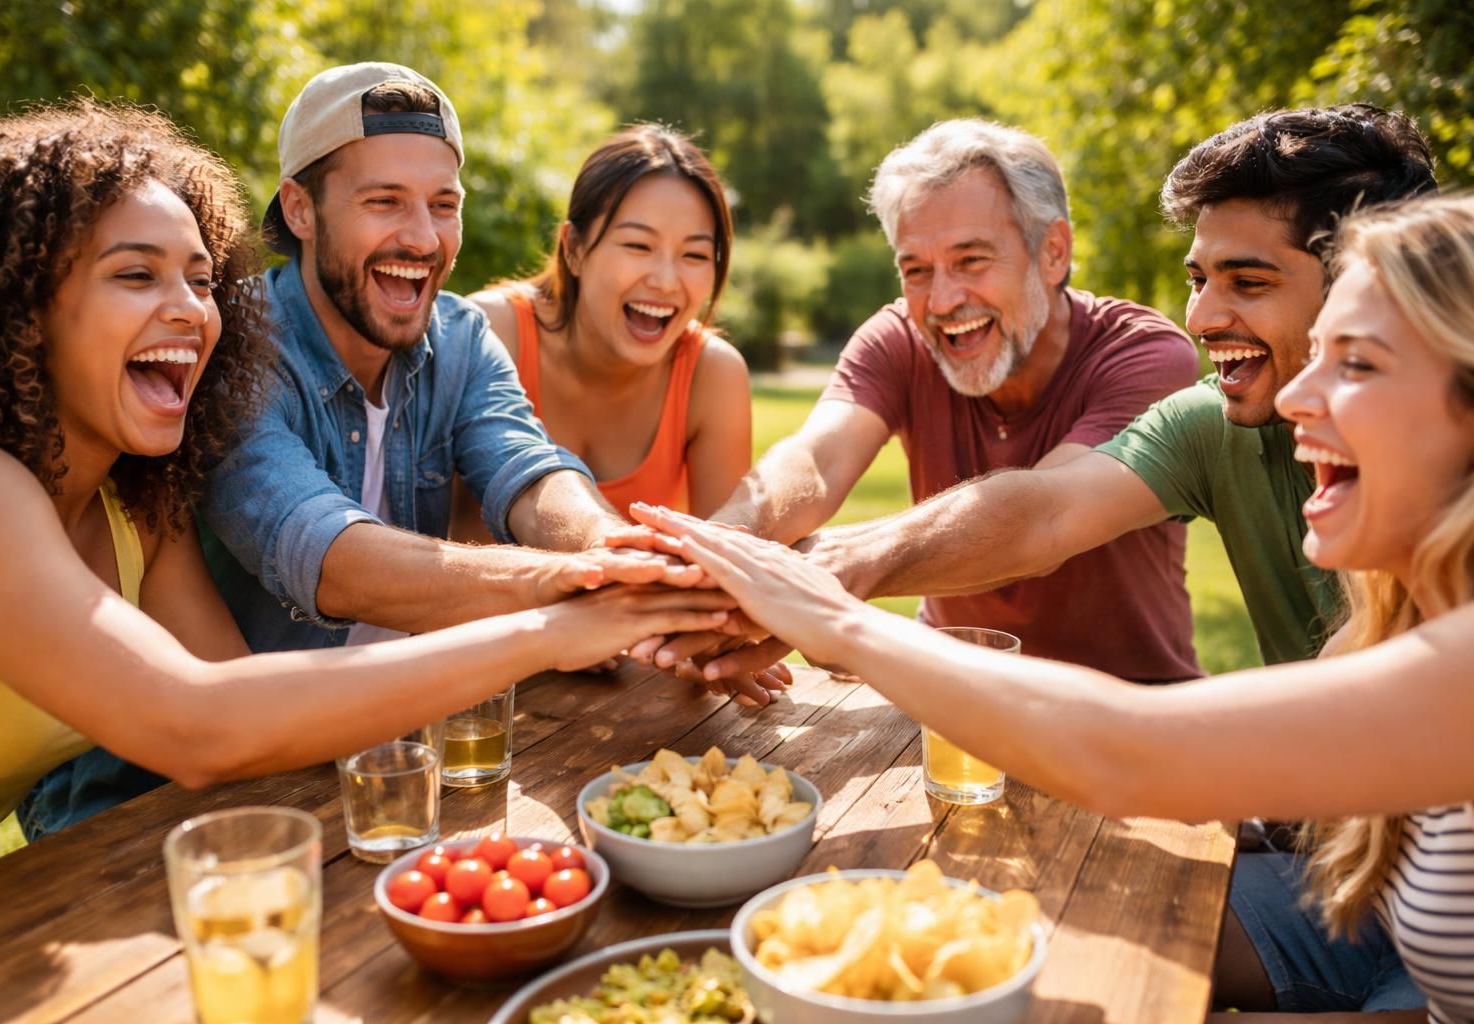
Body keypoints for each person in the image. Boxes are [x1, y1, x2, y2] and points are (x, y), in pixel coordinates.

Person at [630, 104, 1439, 1015]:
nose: (1205, 318)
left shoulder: (1168, 371)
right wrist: (754, 559)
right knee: (1010, 943)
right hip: (1338, 857)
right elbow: (1042, 509)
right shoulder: (1230, 423)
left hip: (1294, 834)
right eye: (1198, 278)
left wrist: (834, 612)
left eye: (1357, 361)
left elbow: (1128, 741)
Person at [0, 100, 736, 875]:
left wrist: (621, 556)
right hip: (127, 823)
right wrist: (558, 609)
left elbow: (233, 695)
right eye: (137, 275)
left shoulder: (137, 499)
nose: (189, 312)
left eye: (200, 279)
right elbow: (210, 710)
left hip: (251, 793)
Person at [627, 118, 1204, 683]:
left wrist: (831, 572)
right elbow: (816, 458)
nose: (944, 299)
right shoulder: (899, 337)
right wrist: (727, 542)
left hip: (1129, 713)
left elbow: (1039, 517)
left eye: (972, 260)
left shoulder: (1147, 357)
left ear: (1053, 252)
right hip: (950, 699)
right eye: (916, 269)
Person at [454, 124, 750, 537]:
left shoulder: (711, 375)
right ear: (574, 249)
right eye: (637, 246)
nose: (666, 281)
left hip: (639, 600)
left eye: (695, 254)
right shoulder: (488, 335)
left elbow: (724, 561)